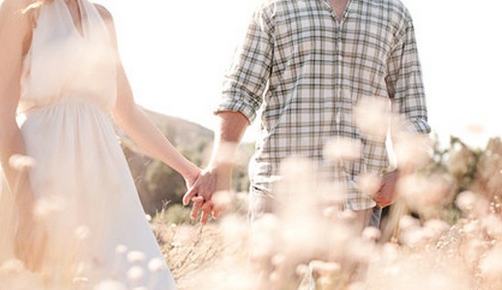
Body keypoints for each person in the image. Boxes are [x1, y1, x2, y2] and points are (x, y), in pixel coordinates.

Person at [0, 0, 200, 290]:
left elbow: (127, 111)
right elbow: (0, 115)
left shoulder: (103, 18)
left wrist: (187, 170)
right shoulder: (19, 8)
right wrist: (28, 206)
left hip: (106, 184)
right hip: (43, 179)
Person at [184, 0, 430, 227]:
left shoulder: (394, 13)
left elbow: (410, 105)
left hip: (358, 203)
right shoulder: (274, 8)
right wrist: (218, 168)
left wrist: (403, 173)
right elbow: (240, 93)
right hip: (278, 198)